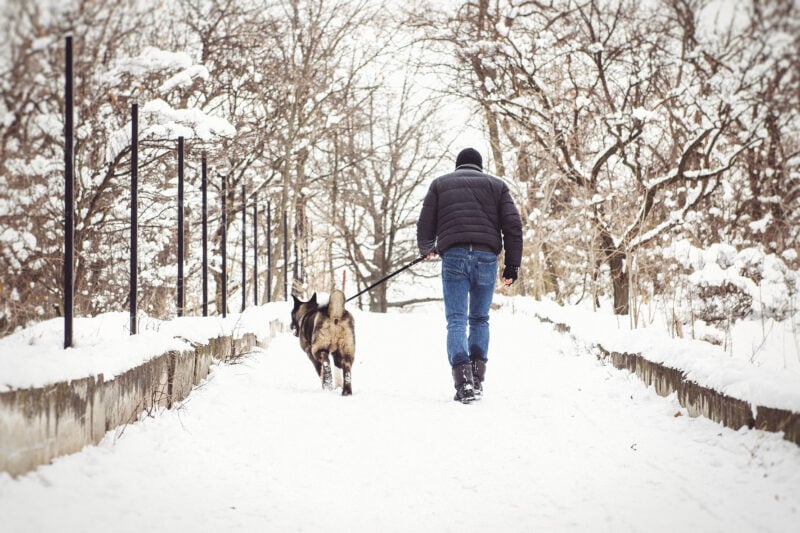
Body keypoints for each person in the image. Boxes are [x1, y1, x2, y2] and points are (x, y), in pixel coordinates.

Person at [416, 147, 523, 403]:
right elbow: (513, 226)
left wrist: (427, 248)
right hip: (486, 258)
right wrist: (511, 267)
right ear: (479, 166)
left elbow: (425, 221)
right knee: (479, 319)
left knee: (456, 320)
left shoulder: (440, 184)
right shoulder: (497, 187)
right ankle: (477, 379)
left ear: (458, 165)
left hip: (454, 256)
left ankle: (463, 382)